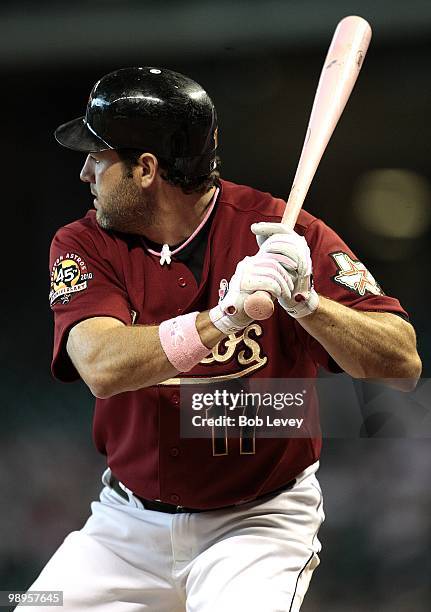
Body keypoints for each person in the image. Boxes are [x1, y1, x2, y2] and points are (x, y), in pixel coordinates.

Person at [25, 67, 421, 611]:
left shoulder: (286, 232)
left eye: (98, 156)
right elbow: (100, 365)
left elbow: (402, 364)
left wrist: (308, 304)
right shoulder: (83, 242)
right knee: (34, 603)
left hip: (257, 523)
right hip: (124, 524)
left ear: (145, 169)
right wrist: (227, 317)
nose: (85, 173)